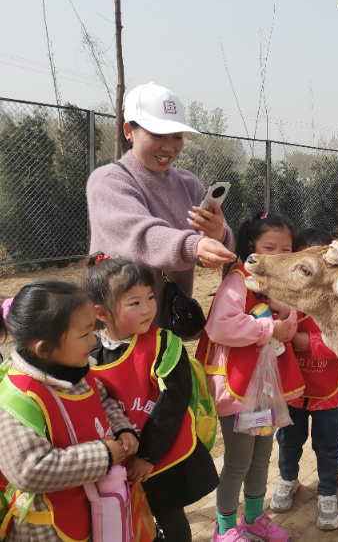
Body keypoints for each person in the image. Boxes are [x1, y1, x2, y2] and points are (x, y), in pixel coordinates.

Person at [83, 254, 219, 542]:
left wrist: (147, 456)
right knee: (125, 519)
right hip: (116, 460)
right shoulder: (89, 353)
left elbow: (174, 401)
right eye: (134, 303)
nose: (147, 309)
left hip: (161, 454)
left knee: (170, 516)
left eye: (150, 297)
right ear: (102, 313)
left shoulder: (163, 342)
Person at [86, 83, 237, 326]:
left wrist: (218, 233)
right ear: (128, 130)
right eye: (157, 135)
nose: (169, 146)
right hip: (120, 327)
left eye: (177, 136)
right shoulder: (109, 182)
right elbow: (141, 236)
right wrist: (194, 246)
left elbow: (206, 244)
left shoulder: (188, 183)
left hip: (167, 318)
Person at [0, 281, 137, 542]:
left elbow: (102, 399)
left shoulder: (72, 370)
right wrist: (104, 454)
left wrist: (122, 428)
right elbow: (30, 470)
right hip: (47, 528)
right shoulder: (16, 399)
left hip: (92, 508)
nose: (94, 338)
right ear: (44, 349)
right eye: (85, 333)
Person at [196, 213, 304, 542]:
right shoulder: (238, 280)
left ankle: (255, 519)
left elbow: (290, 326)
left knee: (261, 458)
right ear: (250, 247)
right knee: (239, 462)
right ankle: (225, 529)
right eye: (269, 247)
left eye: (286, 249)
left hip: (265, 388)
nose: (278, 255)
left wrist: (287, 315)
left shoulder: (280, 284)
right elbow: (221, 326)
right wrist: (270, 327)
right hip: (237, 390)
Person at [271, 228, 338, 531]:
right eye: (303, 262)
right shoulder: (283, 298)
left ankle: (327, 492)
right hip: (292, 388)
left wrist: (305, 341)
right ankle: (288, 479)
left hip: (329, 389)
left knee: (329, 445)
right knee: (288, 440)